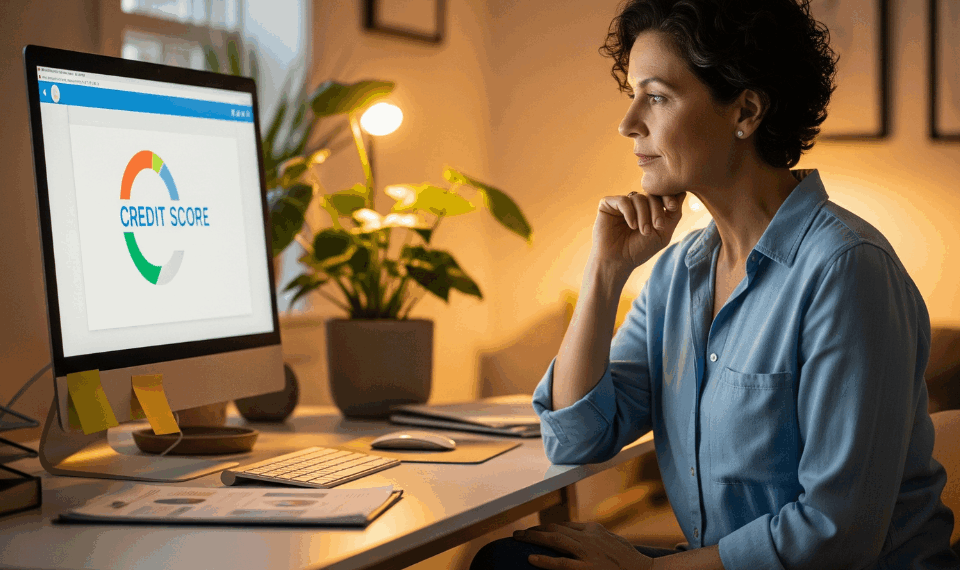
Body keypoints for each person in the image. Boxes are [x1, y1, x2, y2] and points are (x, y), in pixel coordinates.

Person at [470, 0, 960, 569]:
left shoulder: (846, 270)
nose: (629, 123)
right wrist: (605, 272)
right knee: (513, 560)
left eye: (656, 97)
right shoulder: (679, 272)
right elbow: (575, 439)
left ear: (746, 111)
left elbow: (836, 534)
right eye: (631, 96)